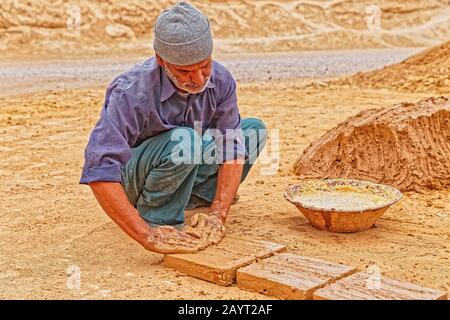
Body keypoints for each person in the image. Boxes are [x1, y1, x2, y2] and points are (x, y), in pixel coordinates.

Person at [80, 1, 267, 254]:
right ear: (161, 60)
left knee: (252, 131)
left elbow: (231, 148)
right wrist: (146, 235)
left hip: (182, 163)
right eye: (185, 71)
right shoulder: (132, 92)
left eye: (205, 66)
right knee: (186, 141)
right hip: (136, 179)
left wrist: (218, 214)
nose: (199, 79)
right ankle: (158, 217)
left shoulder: (221, 80)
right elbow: (100, 169)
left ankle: (194, 199)